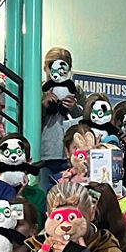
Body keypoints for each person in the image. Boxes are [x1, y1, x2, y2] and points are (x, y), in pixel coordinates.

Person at [40, 46, 83, 180]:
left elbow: (86, 118)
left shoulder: (75, 89)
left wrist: (74, 108)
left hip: (71, 151)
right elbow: (28, 121)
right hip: (45, 152)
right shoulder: (39, 90)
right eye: (51, 67)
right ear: (45, 68)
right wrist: (43, 106)